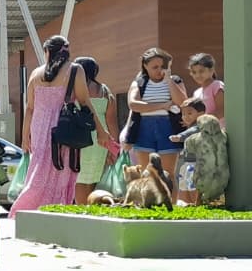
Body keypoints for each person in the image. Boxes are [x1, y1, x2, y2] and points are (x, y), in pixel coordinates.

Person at [12, 36, 114, 212]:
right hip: (64, 129)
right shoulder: (75, 70)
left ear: (47, 52)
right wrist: (100, 130)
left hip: (39, 130)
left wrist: (25, 137)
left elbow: (29, 108)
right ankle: (55, 210)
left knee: (38, 172)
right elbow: (85, 102)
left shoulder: (35, 74)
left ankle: (27, 208)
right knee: (61, 173)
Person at [123, 46, 188, 193]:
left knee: (168, 174)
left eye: (162, 66)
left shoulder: (175, 80)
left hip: (168, 127)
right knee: (147, 173)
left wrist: (168, 79)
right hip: (144, 129)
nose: (159, 70)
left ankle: (171, 202)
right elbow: (134, 104)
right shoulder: (139, 82)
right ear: (145, 66)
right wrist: (163, 105)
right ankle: (149, 202)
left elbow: (182, 102)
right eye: (155, 67)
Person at [72, 55, 118, 204]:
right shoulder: (105, 91)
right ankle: (91, 208)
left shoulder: (74, 89)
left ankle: (82, 210)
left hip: (80, 138)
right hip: (101, 141)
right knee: (93, 177)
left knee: (79, 178)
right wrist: (114, 148)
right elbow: (112, 122)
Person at [188, 52, 225, 127]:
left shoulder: (217, 86)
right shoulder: (197, 93)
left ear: (211, 70)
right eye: (194, 72)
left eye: (201, 71)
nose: (197, 75)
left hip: (218, 130)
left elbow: (221, 110)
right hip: (203, 131)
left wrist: (202, 122)